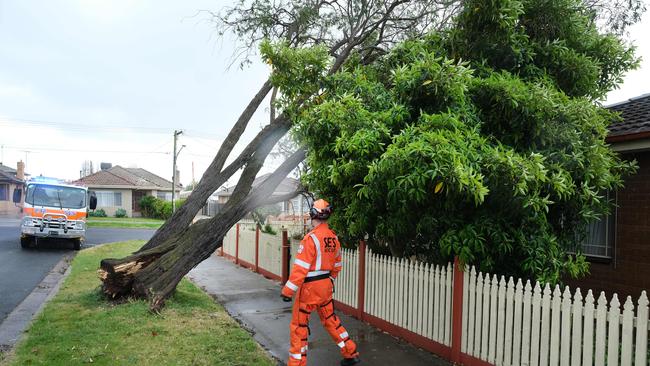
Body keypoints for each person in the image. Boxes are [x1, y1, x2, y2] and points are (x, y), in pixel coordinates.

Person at [281, 199, 361, 366]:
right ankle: (350, 352)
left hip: (309, 288)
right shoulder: (333, 238)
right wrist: (329, 281)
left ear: (312, 214)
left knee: (299, 326)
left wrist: (288, 291)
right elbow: (337, 265)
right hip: (326, 287)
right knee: (331, 320)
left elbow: (300, 269)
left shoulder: (311, 239)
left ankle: (296, 364)